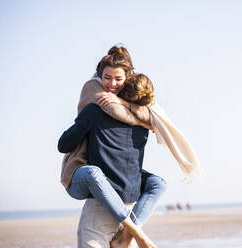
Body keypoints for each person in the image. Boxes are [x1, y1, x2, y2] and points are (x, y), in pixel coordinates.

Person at [59, 45, 166, 248]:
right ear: (99, 77)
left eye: (118, 79)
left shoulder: (98, 112)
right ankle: (134, 231)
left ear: (128, 79)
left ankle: (128, 234)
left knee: (156, 183)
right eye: (107, 78)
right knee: (95, 173)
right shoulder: (139, 120)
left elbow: (63, 145)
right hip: (113, 189)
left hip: (106, 194)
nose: (112, 84)